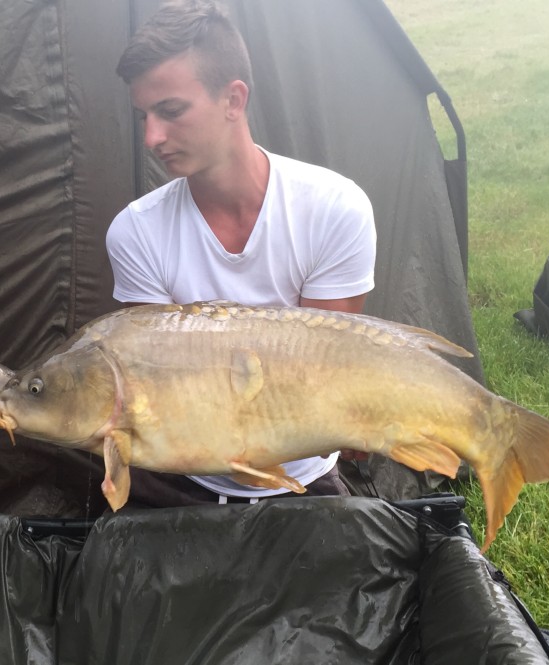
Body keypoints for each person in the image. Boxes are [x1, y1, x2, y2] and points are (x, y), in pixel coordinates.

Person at [106, 0, 377, 506]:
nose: (151, 138)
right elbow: (162, 389)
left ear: (234, 99)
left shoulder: (335, 208)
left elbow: (321, 382)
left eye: (170, 111)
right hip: (181, 472)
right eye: (143, 116)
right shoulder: (135, 232)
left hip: (302, 468)